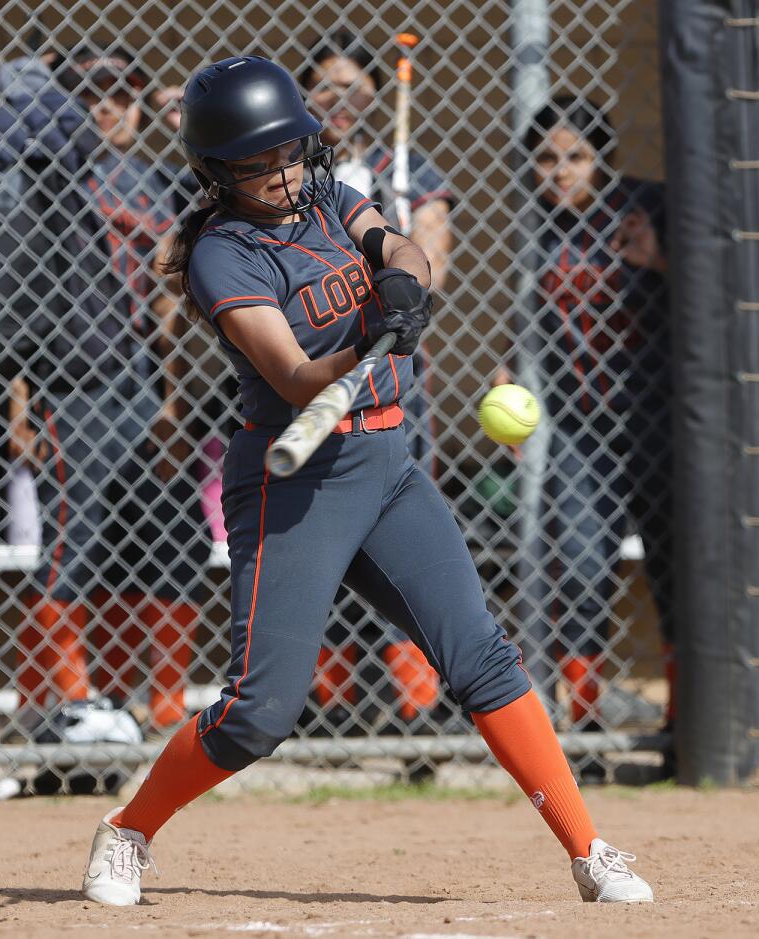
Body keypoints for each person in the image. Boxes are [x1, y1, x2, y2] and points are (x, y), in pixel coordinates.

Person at [79, 56, 653, 907]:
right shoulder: (221, 253)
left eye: (288, 154)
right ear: (216, 171)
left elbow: (403, 245)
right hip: (295, 485)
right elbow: (296, 376)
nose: (278, 174)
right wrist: (368, 338)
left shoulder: (327, 197)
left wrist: (400, 281)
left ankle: (588, 847)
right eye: (255, 163)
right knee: (259, 713)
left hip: (388, 468)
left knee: (482, 657)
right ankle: (128, 829)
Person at [6, 43, 211, 732]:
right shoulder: (54, 184)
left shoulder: (161, 183)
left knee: (160, 536)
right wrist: (21, 404)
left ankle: (152, 707)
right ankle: (50, 701)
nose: (107, 105)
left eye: (123, 91)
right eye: (89, 93)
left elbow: (214, 203)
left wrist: (174, 407)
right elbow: (18, 303)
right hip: (74, 384)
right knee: (76, 537)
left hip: (147, 385)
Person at [500, 97, 675, 780]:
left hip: (658, 416)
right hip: (580, 427)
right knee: (580, 565)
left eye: (575, 156)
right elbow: (533, 317)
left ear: (601, 158)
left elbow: (706, 294)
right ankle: (589, 723)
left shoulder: (645, 206)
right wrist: (510, 366)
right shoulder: (537, 226)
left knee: (672, 568)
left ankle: (681, 725)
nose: (560, 171)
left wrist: (657, 258)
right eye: (546, 158)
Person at [297, 31, 456, 740]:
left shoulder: (402, 169)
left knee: (399, 539)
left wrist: (397, 249)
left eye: (353, 88)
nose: (339, 101)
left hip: (388, 376)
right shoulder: (291, 173)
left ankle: (415, 706)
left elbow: (434, 263)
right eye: (324, 88)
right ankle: (328, 704)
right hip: (312, 378)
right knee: (320, 538)